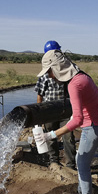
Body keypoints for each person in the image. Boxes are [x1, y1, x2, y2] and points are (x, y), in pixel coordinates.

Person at [35, 49, 98, 194]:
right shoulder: (81, 76)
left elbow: (76, 119)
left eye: (49, 71)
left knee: (82, 164)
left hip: (94, 125)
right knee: (80, 160)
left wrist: (51, 135)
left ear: (58, 68)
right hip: (97, 123)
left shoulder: (74, 84)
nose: (50, 76)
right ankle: (81, 193)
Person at [35, 42, 77, 170]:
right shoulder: (44, 75)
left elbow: (80, 82)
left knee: (68, 137)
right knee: (50, 137)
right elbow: (40, 95)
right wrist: (39, 113)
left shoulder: (69, 70)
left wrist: (95, 89)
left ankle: (70, 165)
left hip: (65, 109)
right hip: (49, 110)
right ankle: (54, 162)